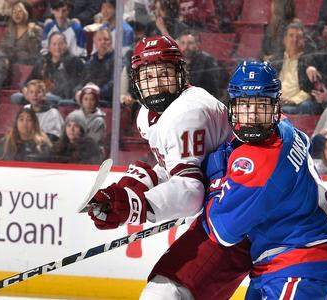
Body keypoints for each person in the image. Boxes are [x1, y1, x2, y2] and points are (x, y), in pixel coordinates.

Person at [86, 35, 249, 299]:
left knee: (164, 294)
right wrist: (137, 185)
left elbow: (191, 191)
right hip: (231, 211)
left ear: (181, 73)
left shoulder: (187, 111)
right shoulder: (150, 116)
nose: (158, 84)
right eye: (149, 77)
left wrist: (135, 205)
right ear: (137, 84)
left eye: (164, 73)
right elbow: (175, 168)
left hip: (241, 217)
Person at [203, 61, 327, 299]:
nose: (253, 114)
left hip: (298, 258)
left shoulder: (258, 160)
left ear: (275, 105)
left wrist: (216, 180)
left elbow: (222, 232)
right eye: (245, 104)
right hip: (279, 259)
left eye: (261, 104)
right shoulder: (284, 126)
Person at [176, 30, 222, 99]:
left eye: (190, 43)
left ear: (197, 44)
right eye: (183, 43)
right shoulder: (176, 61)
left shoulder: (207, 60)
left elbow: (214, 88)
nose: (186, 47)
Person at [0, 1, 43, 65]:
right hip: (9, 65)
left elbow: (35, 52)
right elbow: (2, 49)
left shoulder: (36, 30)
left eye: (20, 11)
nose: (16, 14)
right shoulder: (9, 30)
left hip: (28, 66)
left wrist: (31, 33)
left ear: (27, 13)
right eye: (14, 12)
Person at [72, 83, 106, 147]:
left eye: (92, 99)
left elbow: (93, 142)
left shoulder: (99, 121)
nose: (88, 103)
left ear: (96, 101)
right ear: (81, 101)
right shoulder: (74, 115)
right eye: (85, 99)